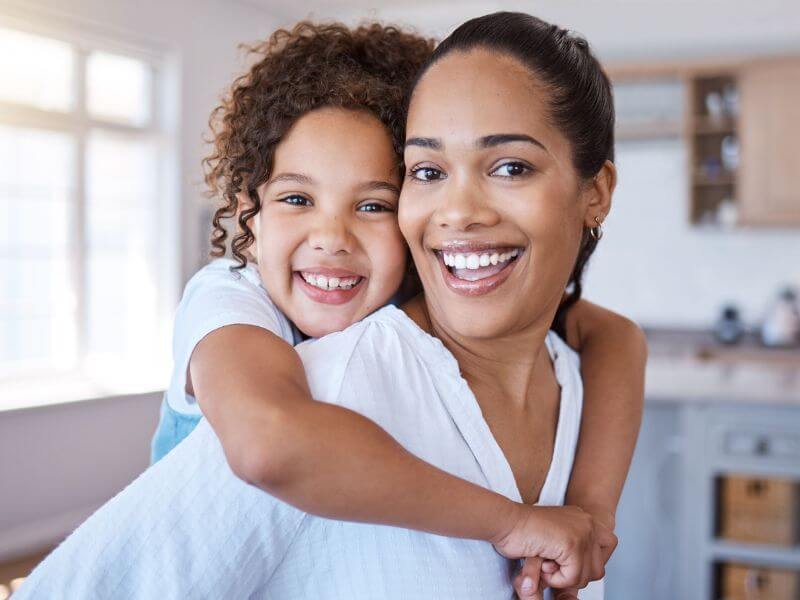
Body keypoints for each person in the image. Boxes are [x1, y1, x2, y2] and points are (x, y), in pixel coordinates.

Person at [16, 13, 644, 600]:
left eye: (373, 205)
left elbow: (617, 339)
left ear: (596, 193)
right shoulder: (244, 309)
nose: (332, 238)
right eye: (430, 172)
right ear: (247, 215)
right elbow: (266, 445)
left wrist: (591, 517)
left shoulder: (536, 354)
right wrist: (511, 523)